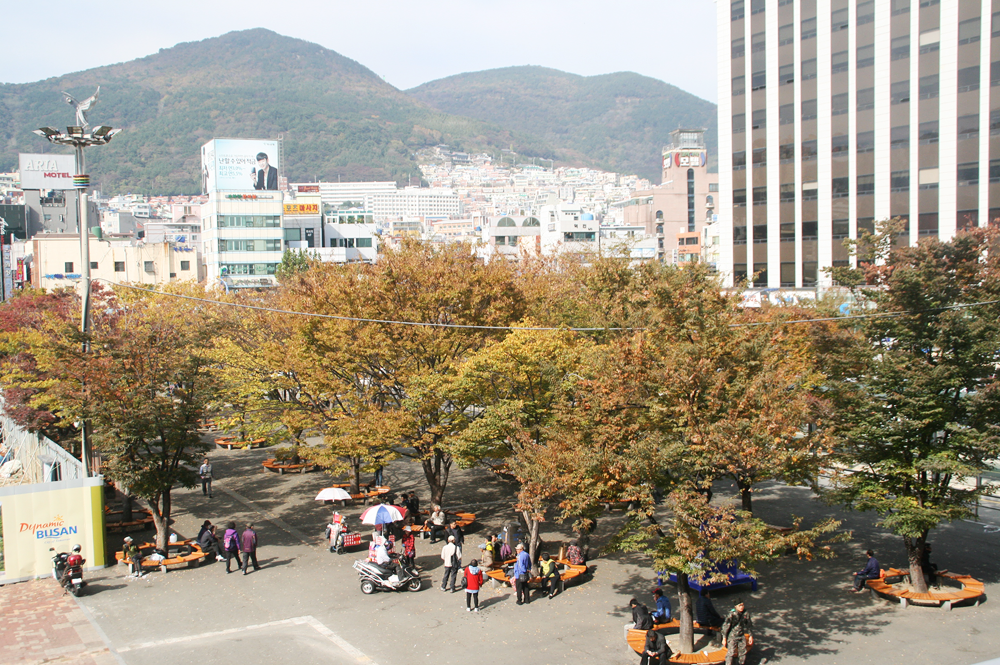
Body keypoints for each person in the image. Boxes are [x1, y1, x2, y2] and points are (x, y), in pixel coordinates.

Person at [721, 600, 754, 665]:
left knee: (742, 653)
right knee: (731, 653)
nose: (742, 607)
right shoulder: (732, 614)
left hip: (741, 635)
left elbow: (749, 625)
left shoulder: (745, 613)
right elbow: (725, 626)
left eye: (742, 605)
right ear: (735, 606)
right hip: (733, 636)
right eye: (740, 605)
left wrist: (751, 636)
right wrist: (724, 638)